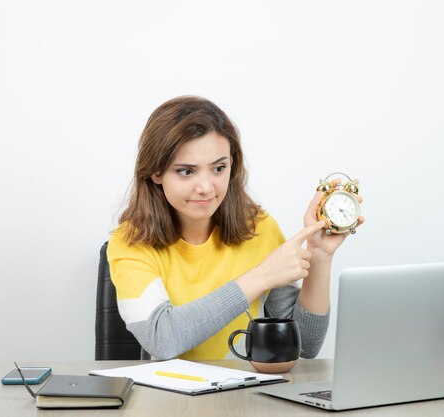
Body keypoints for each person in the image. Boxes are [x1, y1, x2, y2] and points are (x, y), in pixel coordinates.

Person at [108, 96, 364, 360]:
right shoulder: (129, 243)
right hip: (169, 399)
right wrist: (261, 276)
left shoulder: (258, 229)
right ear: (156, 172)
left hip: (244, 396)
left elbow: (304, 345)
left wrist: (320, 257)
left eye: (219, 168)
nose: (206, 187)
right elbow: (163, 339)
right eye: (186, 171)